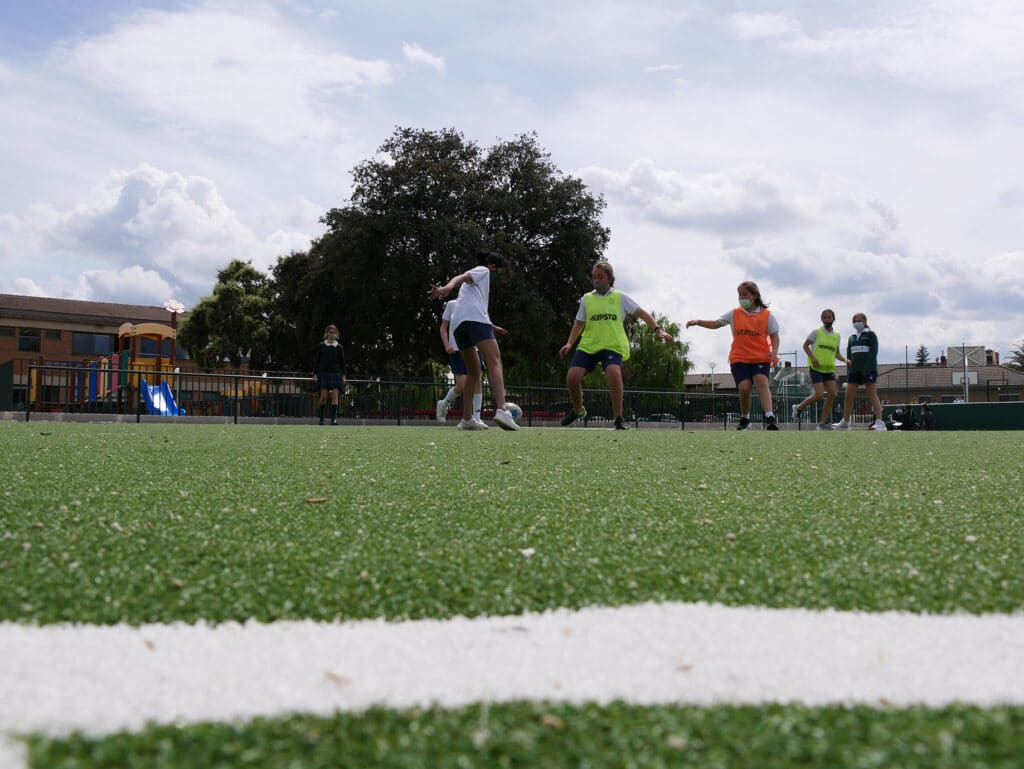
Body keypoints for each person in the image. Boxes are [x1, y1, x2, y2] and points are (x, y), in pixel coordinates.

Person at [558, 260, 674, 430]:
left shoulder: (620, 298)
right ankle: (578, 410)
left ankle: (618, 419)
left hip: (612, 345)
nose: (596, 280)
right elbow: (579, 323)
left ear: (609, 279)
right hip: (589, 345)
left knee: (614, 374)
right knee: (572, 378)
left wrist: (658, 330)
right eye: (594, 277)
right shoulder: (587, 299)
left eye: (600, 277)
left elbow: (642, 313)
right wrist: (569, 343)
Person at [427, 250, 518, 431]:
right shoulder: (483, 271)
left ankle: (467, 418)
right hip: (474, 321)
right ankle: (502, 409)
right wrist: (446, 288)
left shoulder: (476, 289)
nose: (501, 276)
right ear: (493, 266)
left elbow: (472, 308)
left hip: (460, 326)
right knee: (495, 362)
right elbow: (461, 276)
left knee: (474, 373)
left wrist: (493, 327)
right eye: (501, 271)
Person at [686, 281, 781, 430]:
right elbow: (716, 323)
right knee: (744, 388)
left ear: (754, 296)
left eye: (745, 294)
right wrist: (698, 322)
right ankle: (745, 418)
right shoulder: (734, 314)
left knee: (761, 381)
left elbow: (775, 336)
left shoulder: (767, 315)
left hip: (760, 357)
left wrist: (774, 353)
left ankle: (770, 417)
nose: (741, 297)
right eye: (739, 295)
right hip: (739, 357)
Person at [435, 298, 507, 426]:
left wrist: (494, 327)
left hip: (475, 347)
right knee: (462, 384)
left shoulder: (478, 302)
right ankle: (444, 403)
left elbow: (482, 321)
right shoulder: (452, 304)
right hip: (457, 349)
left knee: (478, 381)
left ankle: (476, 418)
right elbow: (443, 327)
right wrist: (447, 345)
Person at [792, 308, 850, 429]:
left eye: (829, 317)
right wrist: (813, 358)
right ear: (822, 319)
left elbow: (836, 353)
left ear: (833, 319)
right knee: (819, 394)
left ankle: (823, 423)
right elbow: (805, 346)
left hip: (829, 369)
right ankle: (799, 407)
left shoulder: (837, 336)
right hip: (816, 368)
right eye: (825, 317)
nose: (827, 319)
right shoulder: (816, 332)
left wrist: (844, 359)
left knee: (833, 394)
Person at [834, 312, 886, 430]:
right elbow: (849, 356)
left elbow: (873, 353)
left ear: (865, 322)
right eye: (855, 321)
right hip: (854, 371)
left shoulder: (871, 335)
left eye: (860, 320)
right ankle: (845, 422)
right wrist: (849, 371)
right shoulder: (852, 338)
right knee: (848, 394)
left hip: (868, 370)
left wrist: (867, 369)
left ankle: (879, 422)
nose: (857, 323)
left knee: (872, 394)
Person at [315, 323, 346, 425]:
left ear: (336, 334)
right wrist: (315, 373)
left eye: (334, 332)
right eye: (330, 332)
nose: (332, 334)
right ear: (326, 333)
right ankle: (321, 418)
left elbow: (342, 363)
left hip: (336, 373)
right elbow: (318, 360)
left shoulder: (339, 347)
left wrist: (343, 375)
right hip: (324, 373)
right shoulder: (322, 345)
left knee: (334, 396)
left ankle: (333, 420)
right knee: (323, 396)